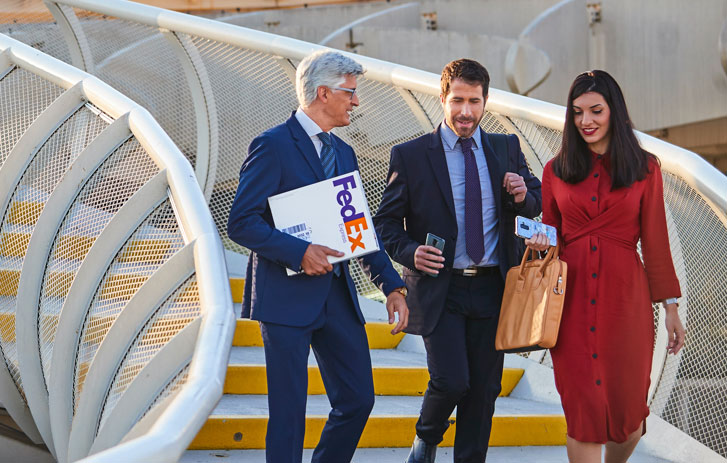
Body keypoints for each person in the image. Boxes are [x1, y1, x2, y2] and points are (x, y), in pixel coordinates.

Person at [227, 49, 409, 463]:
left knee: (359, 400)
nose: (356, 101)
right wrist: (299, 252)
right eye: (350, 92)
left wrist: (392, 285)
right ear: (323, 93)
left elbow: (357, 229)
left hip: (337, 297)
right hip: (285, 299)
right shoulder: (272, 145)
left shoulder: (344, 153)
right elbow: (241, 221)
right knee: (288, 416)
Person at [374, 58, 542, 463]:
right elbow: (384, 224)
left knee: (483, 391)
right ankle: (426, 437)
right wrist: (411, 251)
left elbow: (536, 202)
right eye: (457, 101)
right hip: (440, 287)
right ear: (442, 98)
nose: (465, 111)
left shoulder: (506, 147)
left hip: (492, 286)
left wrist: (522, 195)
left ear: (486, 102)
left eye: (474, 101)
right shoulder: (411, 155)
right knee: (451, 381)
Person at [526, 70, 685, 463]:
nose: (586, 121)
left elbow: (656, 241)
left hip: (625, 303)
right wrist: (541, 243)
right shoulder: (554, 170)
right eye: (578, 112)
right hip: (571, 304)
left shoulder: (646, 169)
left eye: (595, 110)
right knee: (582, 417)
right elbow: (552, 236)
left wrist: (670, 309)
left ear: (614, 110)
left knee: (630, 419)